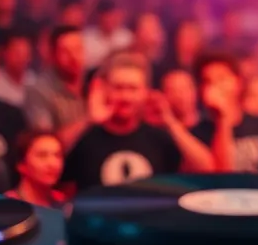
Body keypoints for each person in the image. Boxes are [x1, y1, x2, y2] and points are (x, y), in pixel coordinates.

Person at [61, 51, 211, 194]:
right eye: (118, 88)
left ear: (145, 92)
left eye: (133, 89)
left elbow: (206, 170)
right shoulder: (86, 135)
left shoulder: (158, 137)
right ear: (105, 89)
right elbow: (49, 158)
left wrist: (170, 122)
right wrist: (88, 120)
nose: (125, 97)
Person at [193, 52, 258, 174]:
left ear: (238, 82)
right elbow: (222, 175)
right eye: (208, 81)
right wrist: (223, 119)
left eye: (221, 78)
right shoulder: (198, 132)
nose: (216, 86)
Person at [5, 131, 66, 208]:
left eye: (57, 155)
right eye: (42, 155)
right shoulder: (8, 206)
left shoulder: (63, 202)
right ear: (21, 164)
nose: (53, 164)